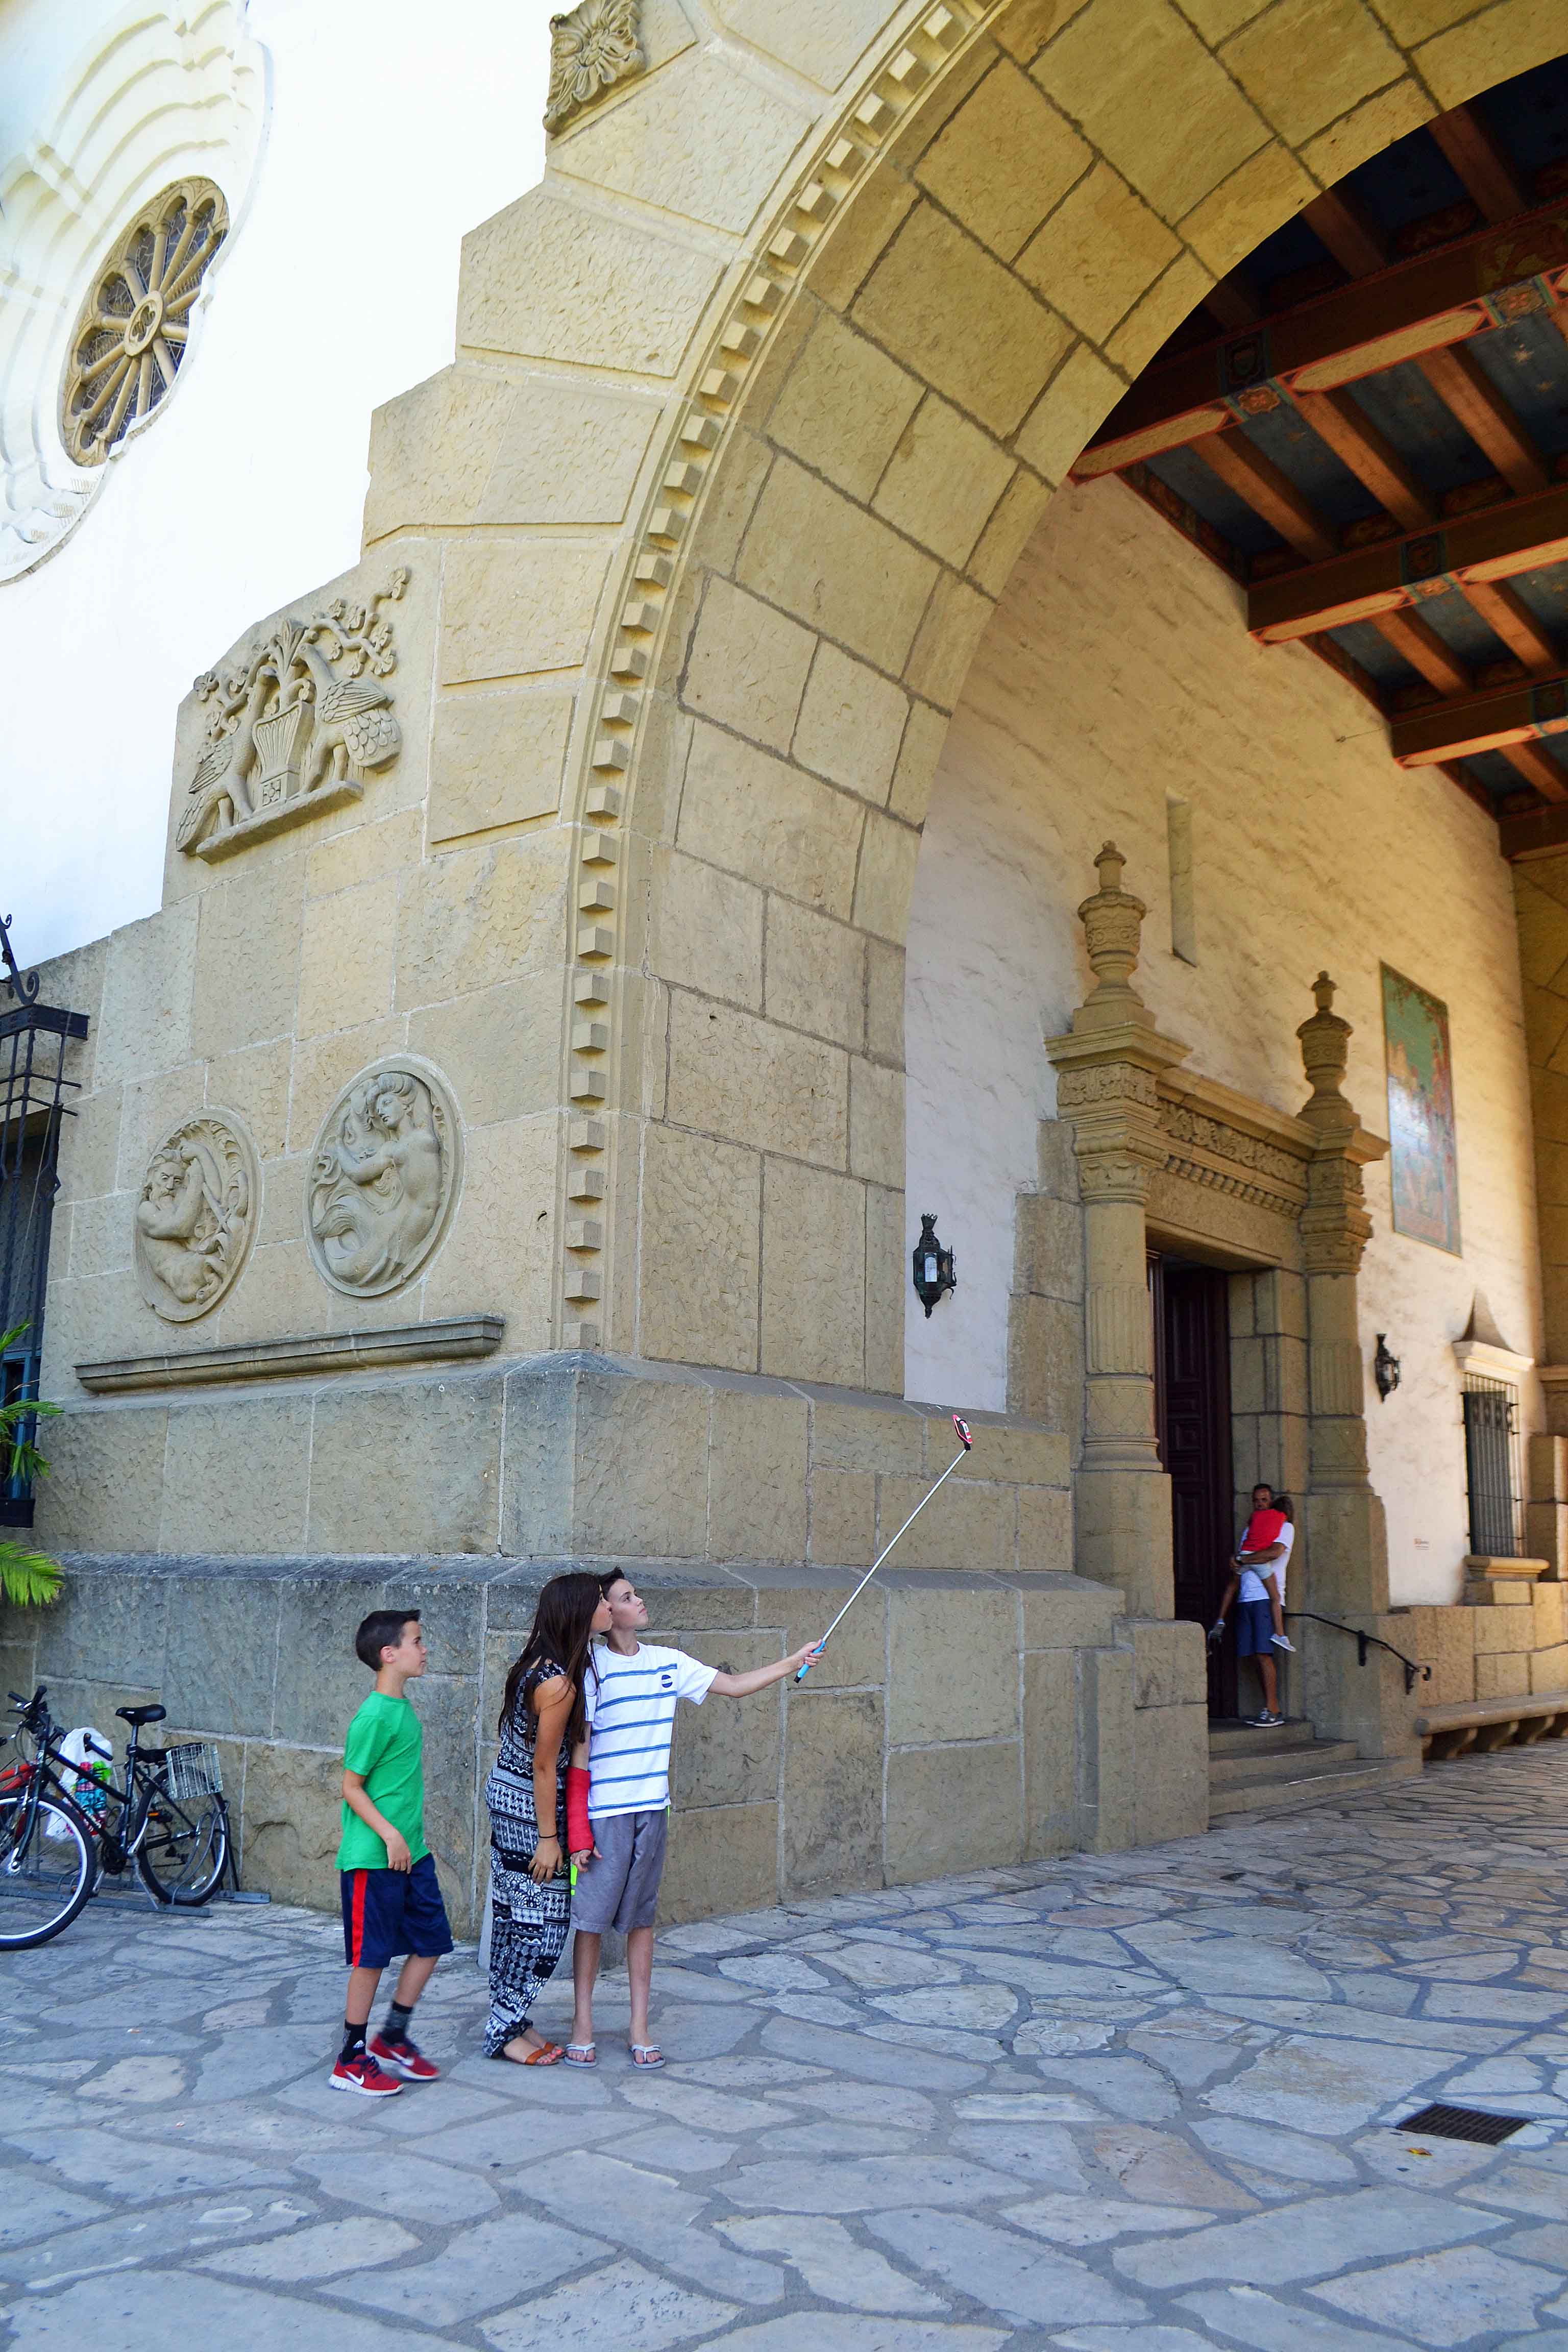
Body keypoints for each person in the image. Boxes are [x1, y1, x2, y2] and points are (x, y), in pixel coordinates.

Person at [567, 1574, 822, 2069]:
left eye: (635, 1594)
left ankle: (640, 2027)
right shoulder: (591, 1668)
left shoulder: (668, 1663)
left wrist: (792, 1662)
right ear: (607, 1613)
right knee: (591, 1922)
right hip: (604, 1818)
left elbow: (733, 1686)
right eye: (626, 1597)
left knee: (642, 1920)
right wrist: (579, 1830)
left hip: (652, 1812)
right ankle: (583, 2024)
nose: (638, 1601)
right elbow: (580, 1755)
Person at [483, 1573, 610, 2064]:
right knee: (542, 1926)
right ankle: (503, 2029)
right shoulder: (557, 1683)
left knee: (515, 1917)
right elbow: (543, 1764)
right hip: (528, 1812)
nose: (607, 1608)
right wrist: (549, 1838)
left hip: (511, 1796)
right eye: (600, 1602)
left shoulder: (541, 1664)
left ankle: (511, 2020)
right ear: (579, 1612)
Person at [332, 1609, 453, 2096]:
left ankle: (393, 2037)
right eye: (417, 1642)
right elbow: (351, 1787)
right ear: (390, 1654)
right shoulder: (375, 1715)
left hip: (411, 1855)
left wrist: (407, 1842)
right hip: (374, 1857)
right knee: (372, 1957)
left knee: (432, 1943)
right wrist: (389, 1835)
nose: (424, 1650)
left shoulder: (401, 1708)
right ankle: (350, 2058)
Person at [1209, 1484, 1296, 1729]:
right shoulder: (1251, 1528)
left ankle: (1274, 1710)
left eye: (1265, 1500)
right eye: (1257, 1500)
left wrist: (1242, 1559)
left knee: (1263, 1654)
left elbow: (1273, 1552)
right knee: (1253, 1656)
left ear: (1272, 1501)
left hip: (1264, 1599)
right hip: (1246, 1597)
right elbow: (1240, 1566)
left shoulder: (1284, 1526)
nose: (1261, 1504)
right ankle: (1267, 1707)